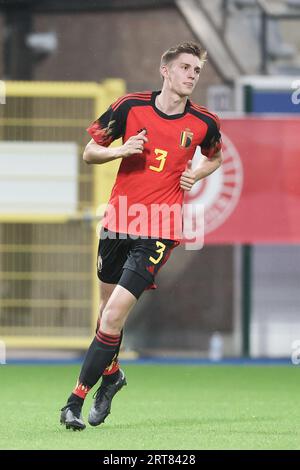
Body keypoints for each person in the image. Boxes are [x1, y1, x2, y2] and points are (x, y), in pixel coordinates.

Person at [60, 42, 223, 430]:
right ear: (164, 70)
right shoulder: (129, 107)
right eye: (184, 67)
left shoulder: (205, 122)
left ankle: (73, 402)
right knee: (105, 315)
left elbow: (214, 156)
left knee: (114, 314)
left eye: (196, 70)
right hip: (118, 221)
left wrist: (197, 174)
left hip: (160, 229)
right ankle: (113, 376)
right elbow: (88, 152)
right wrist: (121, 152)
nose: (191, 75)